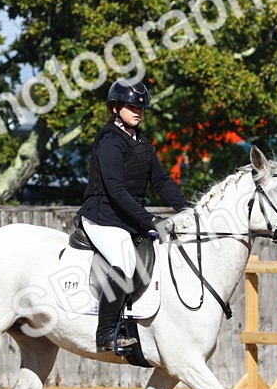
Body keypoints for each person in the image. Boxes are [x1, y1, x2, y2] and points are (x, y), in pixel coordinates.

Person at [78, 79, 192, 352]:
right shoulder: (110, 142)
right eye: (131, 106)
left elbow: (161, 181)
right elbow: (116, 191)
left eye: (141, 108)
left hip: (126, 217)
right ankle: (105, 333)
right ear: (115, 108)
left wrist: (188, 210)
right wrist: (150, 220)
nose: (138, 111)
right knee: (125, 261)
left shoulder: (140, 141)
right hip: (102, 216)